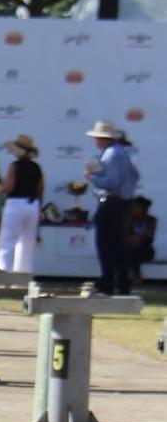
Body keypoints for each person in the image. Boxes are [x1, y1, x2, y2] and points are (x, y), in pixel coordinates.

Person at [84, 119, 138, 295]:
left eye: (97, 138)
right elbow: (134, 176)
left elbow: (112, 183)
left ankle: (108, 282)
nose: (95, 141)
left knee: (106, 245)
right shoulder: (122, 152)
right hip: (122, 203)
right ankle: (122, 283)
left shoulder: (111, 154)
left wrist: (92, 177)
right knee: (118, 245)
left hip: (111, 202)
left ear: (103, 138)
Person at [0, 133, 44, 273]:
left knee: (7, 240)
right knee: (26, 242)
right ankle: (23, 275)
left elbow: (9, 187)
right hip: (32, 204)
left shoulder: (14, 166)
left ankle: (4, 273)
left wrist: (1, 187)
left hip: (15, 204)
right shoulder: (37, 168)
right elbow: (40, 189)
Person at [127, 197, 156, 284]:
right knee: (132, 249)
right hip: (130, 248)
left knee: (136, 248)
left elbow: (147, 234)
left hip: (145, 249)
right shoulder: (128, 220)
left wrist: (136, 238)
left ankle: (136, 275)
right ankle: (134, 275)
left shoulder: (151, 220)